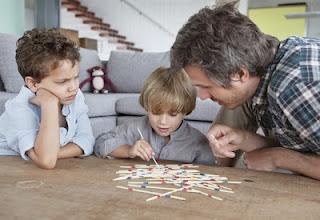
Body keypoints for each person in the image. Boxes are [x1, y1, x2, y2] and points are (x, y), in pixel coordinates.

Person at [170, 1, 320, 179]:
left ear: (241, 74)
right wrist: (242, 138)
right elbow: (296, 143)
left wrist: (279, 158)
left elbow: (289, 152)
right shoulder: (264, 68)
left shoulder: (295, 88)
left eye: (206, 86)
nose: (201, 97)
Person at [0, 28, 95, 169]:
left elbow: (87, 140)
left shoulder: (76, 95)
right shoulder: (19, 109)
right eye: (62, 82)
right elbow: (46, 161)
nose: (74, 87)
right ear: (33, 84)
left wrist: (53, 153)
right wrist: (49, 104)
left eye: (76, 77)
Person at [94, 67, 215, 165]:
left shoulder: (198, 142)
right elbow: (100, 144)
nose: (162, 121)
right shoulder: (135, 128)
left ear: (185, 111)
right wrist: (128, 150)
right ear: (147, 107)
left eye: (172, 114)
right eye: (156, 112)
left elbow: (210, 173)